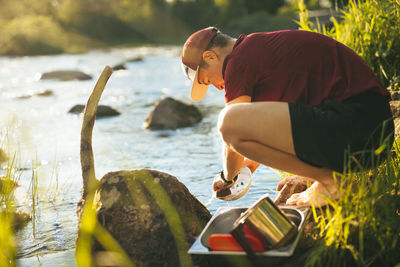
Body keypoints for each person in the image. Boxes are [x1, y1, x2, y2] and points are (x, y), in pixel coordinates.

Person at [180, 27, 394, 206]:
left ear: (210, 56)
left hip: (356, 126)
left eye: (208, 80)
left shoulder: (238, 60)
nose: (218, 87)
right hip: (371, 133)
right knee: (241, 123)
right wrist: (245, 171)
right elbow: (265, 135)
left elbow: (233, 135)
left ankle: (330, 184)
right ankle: (326, 179)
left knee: (228, 121)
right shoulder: (258, 51)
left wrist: (228, 177)